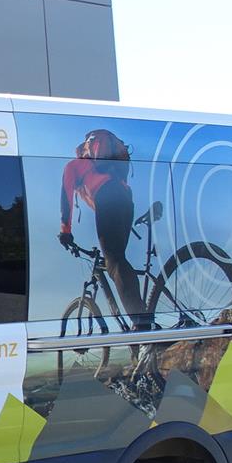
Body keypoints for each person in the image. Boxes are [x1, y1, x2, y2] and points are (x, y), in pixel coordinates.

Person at [59, 128, 148, 328]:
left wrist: (65, 231)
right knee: (118, 258)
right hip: (126, 198)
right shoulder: (105, 168)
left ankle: (142, 325)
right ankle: (141, 316)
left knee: (114, 261)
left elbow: (66, 198)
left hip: (108, 198)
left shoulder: (74, 166)